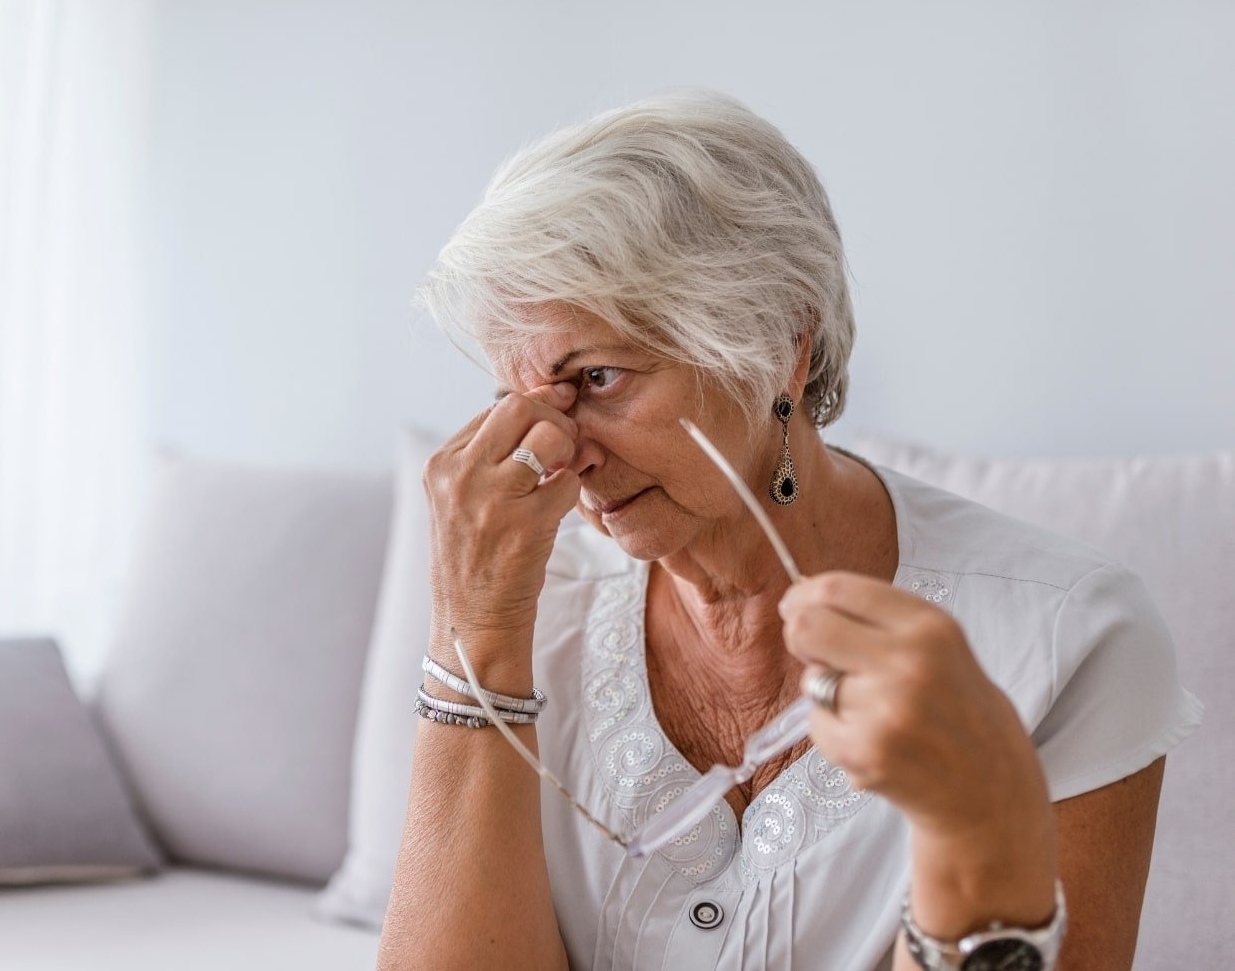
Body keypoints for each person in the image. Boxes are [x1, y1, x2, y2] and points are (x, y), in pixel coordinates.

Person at [377, 91, 1201, 970]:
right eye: (517, 398)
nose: (557, 451)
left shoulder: (1064, 638)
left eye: (599, 377)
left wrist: (978, 829)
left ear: (781, 343)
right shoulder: (522, 603)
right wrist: (474, 634)